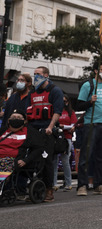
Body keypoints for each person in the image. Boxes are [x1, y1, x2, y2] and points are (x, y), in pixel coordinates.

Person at [75, 63, 102, 197]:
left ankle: (99, 184)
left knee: (101, 156)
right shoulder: (88, 85)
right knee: (86, 156)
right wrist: (89, 102)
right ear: (95, 71)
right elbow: (78, 105)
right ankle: (82, 185)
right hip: (91, 123)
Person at [27, 66, 65, 203]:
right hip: (33, 130)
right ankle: (34, 188)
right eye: (34, 74)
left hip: (47, 131)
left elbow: (57, 111)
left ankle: (49, 190)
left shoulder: (55, 91)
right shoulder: (33, 92)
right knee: (32, 160)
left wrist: (50, 127)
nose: (35, 76)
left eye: (38, 74)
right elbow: (28, 112)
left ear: (46, 75)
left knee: (47, 161)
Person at [0, 111, 46, 178]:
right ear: (8, 120)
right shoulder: (3, 131)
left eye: (19, 118)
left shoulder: (31, 132)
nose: (16, 119)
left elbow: (39, 149)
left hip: (14, 159)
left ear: (24, 121)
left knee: (3, 163)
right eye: (13, 117)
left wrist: (26, 160)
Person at [53, 96, 76, 191]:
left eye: (65, 101)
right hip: (55, 138)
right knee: (54, 161)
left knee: (65, 161)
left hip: (66, 138)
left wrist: (64, 126)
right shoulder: (55, 111)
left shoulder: (71, 112)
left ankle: (68, 183)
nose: (63, 102)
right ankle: (54, 184)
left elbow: (73, 125)